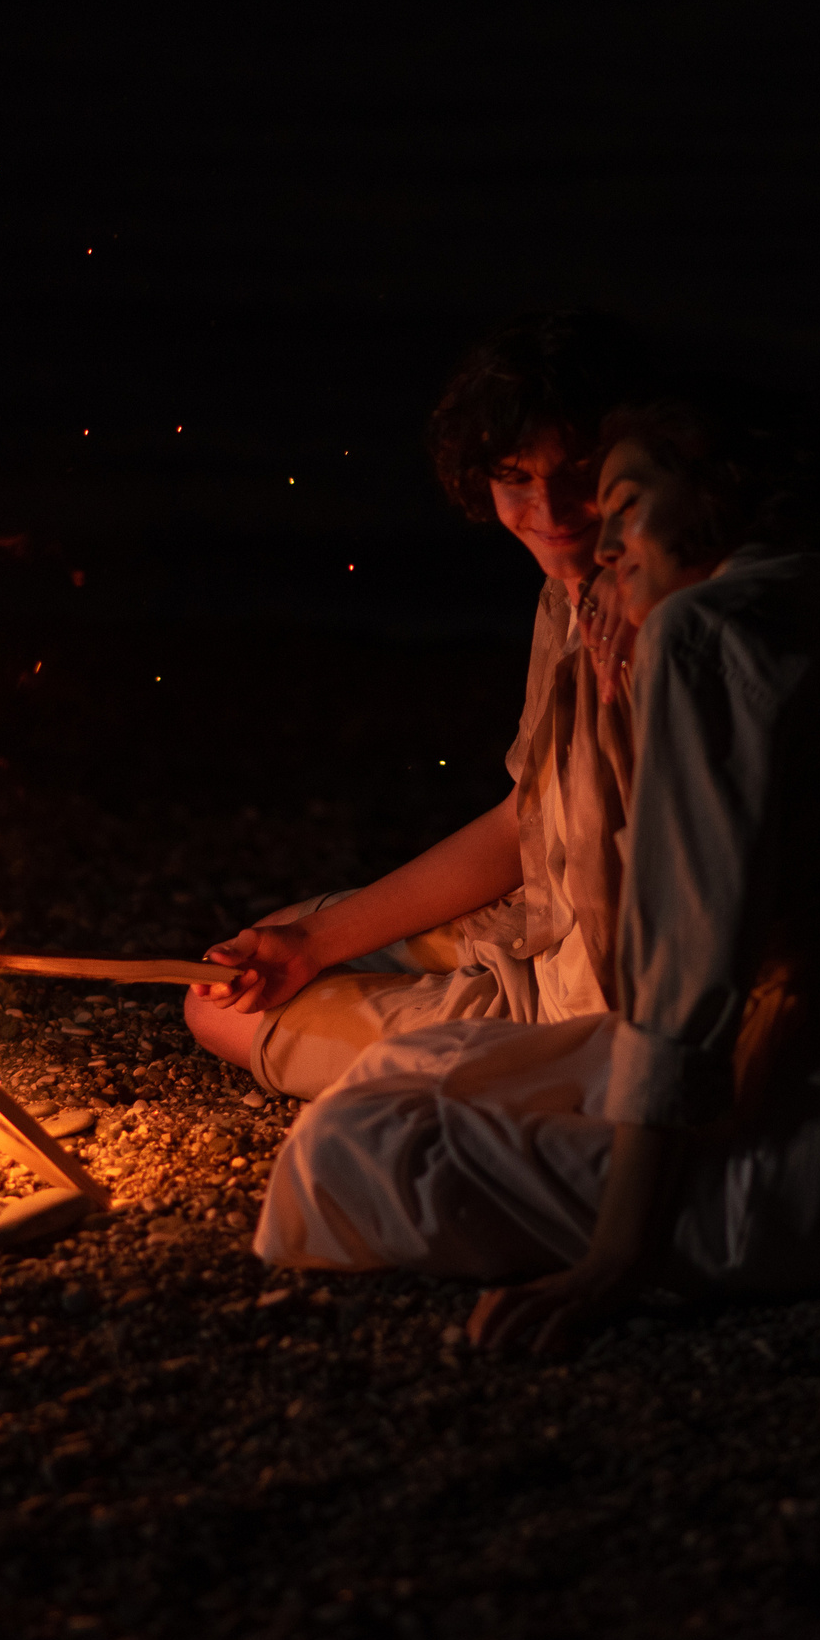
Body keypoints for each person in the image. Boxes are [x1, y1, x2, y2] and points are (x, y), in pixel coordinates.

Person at [252, 384, 820, 1352]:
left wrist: (615, 1257)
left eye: (627, 501)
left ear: (720, 491)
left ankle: (660, 1214)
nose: (599, 538)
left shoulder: (706, 628)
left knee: (350, 1144)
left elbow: (685, 973)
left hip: (812, 1173)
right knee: (415, 1062)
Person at [183, 310, 653, 1099]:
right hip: (538, 916)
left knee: (219, 1013)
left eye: (580, 472)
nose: (553, 507)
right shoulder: (568, 594)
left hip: (586, 1014)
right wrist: (311, 940)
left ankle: (531, 1082)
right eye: (517, 478)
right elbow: (524, 823)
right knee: (265, 951)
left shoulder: (657, 629)